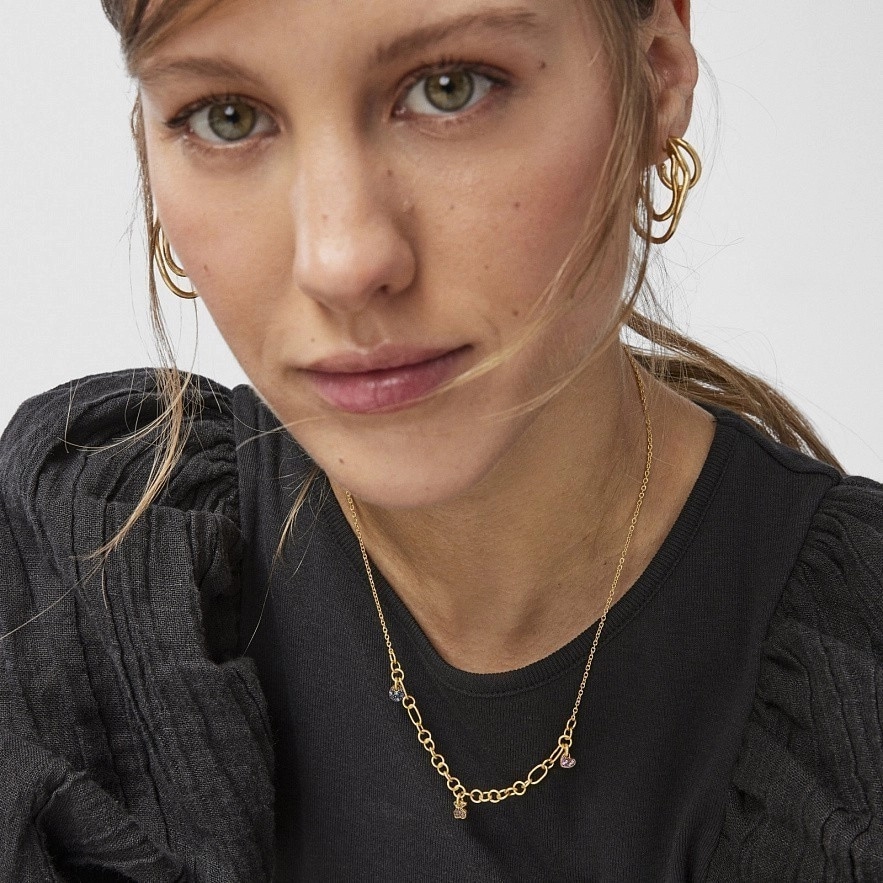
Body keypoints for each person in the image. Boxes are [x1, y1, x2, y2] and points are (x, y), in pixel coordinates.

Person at [1, 0, 880, 879]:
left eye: (449, 89)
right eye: (225, 116)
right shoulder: (76, 574)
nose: (342, 262)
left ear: (655, 72)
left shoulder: (853, 674)